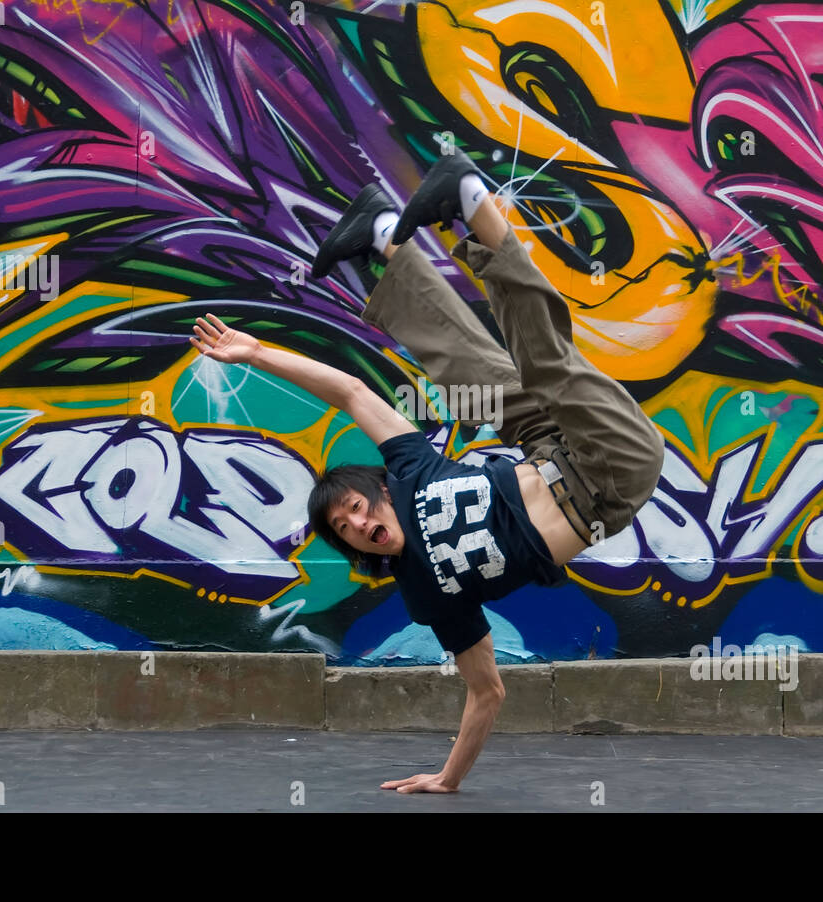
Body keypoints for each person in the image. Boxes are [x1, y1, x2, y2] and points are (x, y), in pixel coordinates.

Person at [189, 149, 665, 793]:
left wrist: (257, 353)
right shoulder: (427, 593)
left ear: (377, 493)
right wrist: (447, 778)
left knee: (487, 373)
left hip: (552, 446)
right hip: (610, 480)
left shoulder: (409, 471)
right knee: (519, 368)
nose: (357, 522)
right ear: (353, 546)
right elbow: (486, 691)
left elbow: (353, 393)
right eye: (344, 528)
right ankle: (388, 236)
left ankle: (463, 205)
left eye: (356, 507)